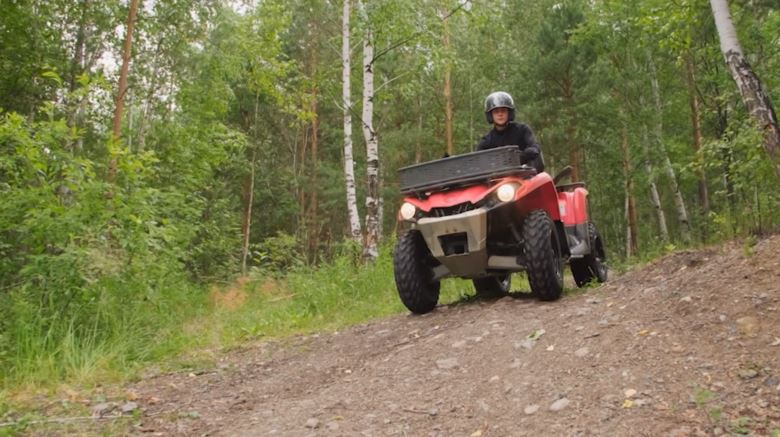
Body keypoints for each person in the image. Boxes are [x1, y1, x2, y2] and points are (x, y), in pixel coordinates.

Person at [476, 91, 544, 172]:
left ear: (509, 113)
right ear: (490, 115)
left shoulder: (522, 130)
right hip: (498, 177)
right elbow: (478, 162)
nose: (500, 114)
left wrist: (520, 156)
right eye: (496, 111)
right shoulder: (486, 141)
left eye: (503, 111)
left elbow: (535, 148)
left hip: (524, 174)